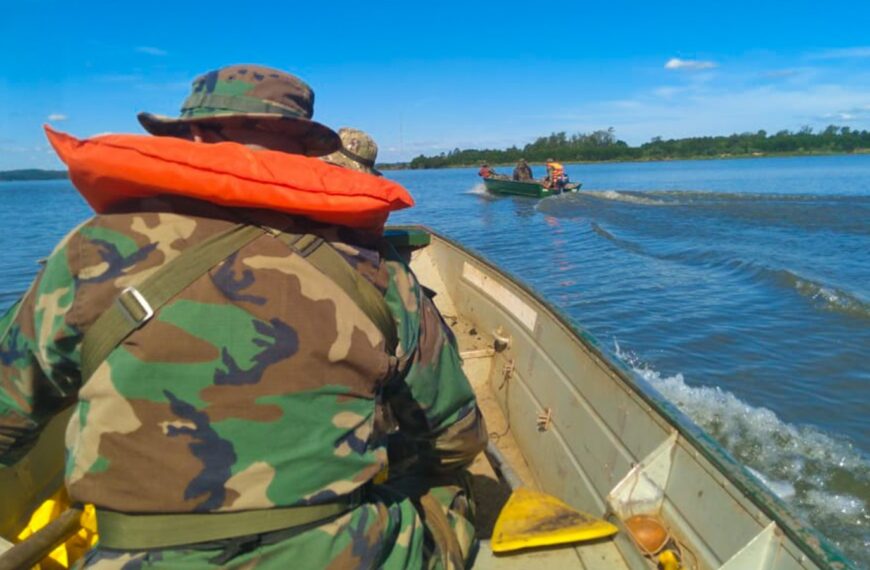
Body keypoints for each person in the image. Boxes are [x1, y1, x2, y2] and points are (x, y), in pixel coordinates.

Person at [0, 64, 486, 569]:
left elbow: (7, 417)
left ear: (189, 136)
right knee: (449, 488)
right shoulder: (378, 268)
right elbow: (455, 439)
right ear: (306, 148)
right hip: (339, 555)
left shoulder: (87, 252)